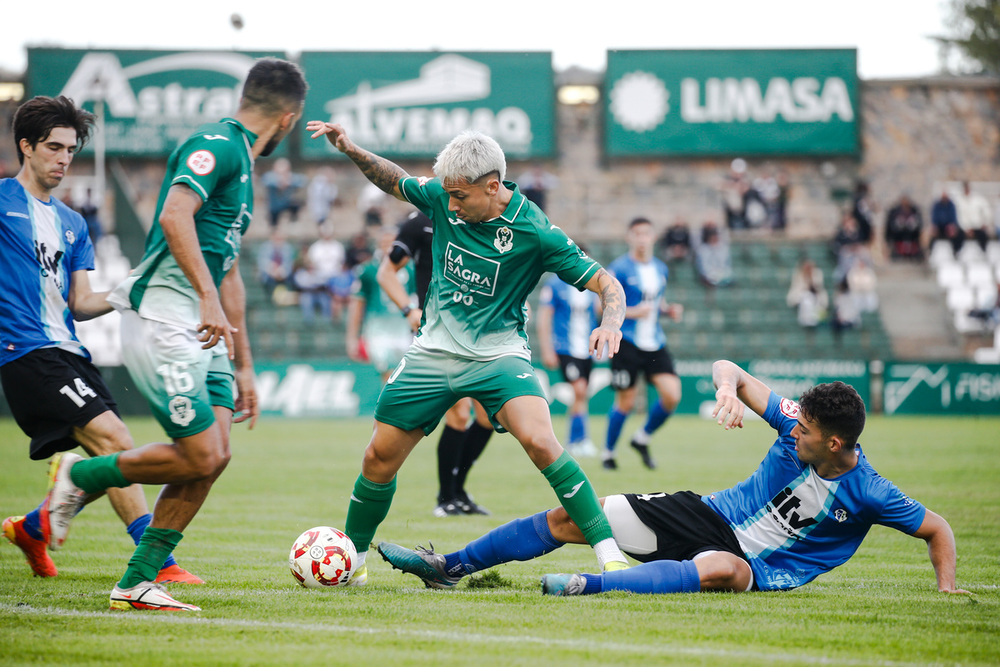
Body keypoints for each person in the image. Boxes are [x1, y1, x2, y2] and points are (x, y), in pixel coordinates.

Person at [307, 120, 631, 583]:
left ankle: (608, 551)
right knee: (378, 458)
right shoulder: (443, 196)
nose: (451, 204)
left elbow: (605, 282)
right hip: (433, 352)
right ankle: (352, 560)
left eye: (460, 196)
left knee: (542, 442)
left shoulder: (536, 232)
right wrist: (350, 148)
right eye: (448, 194)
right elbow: (394, 178)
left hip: (499, 355)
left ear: (493, 186)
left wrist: (611, 320)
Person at [44, 58, 308, 612]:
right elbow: (172, 215)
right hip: (167, 315)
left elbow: (229, 268)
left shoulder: (245, 171)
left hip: (207, 330)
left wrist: (244, 362)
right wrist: (207, 298)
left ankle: (137, 581)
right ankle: (83, 471)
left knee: (216, 456)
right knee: (197, 453)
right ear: (289, 118)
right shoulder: (217, 143)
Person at [378, 360, 968, 599]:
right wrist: (727, 393)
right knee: (571, 517)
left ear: (836, 443)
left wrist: (945, 591)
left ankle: (589, 587)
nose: (795, 432)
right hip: (704, 513)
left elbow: (937, 529)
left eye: (807, 431)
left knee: (726, 569)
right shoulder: (793, 421)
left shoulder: (871, 491)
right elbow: (728, 369)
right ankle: (446, 567)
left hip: (757, 566)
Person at [0, 95, 200, 585]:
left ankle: (31, 527)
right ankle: (160, 562)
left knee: (108, 455)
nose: (64, 159)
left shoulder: (72, 223)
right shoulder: (2, 203)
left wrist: (128, 291)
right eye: (53, 147)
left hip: (67, 351)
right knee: (116, 439)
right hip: (24, 352)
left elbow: (81, 303)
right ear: (26, 147)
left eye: (70, 149)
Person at [378, 209, 494, 516]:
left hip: (478, 329)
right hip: (437, 330)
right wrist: (408, 309)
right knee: (458, 413)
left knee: (487, 417)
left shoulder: (481, 216)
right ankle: (446, 498)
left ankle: (459, 491)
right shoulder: (421, 221)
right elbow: (385, 272)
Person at [603, 217, 683, 471]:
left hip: (655, 342)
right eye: (636, 233)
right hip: (627, 342)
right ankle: (608, 453)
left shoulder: (660, 268)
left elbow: (656, 301)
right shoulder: (618, 268)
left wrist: (668, 310)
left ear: (653, 237)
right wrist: (634, 311)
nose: (641, 238)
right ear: (629, 237)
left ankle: (641, 438)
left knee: (672, 395)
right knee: (625, 402)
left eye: (646, 233)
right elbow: (603, 306)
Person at [536, 271, 600, 458]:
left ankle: (578, 440)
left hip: (586, 349)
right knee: (579, 390)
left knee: (581, 395)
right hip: (565, 347)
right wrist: (547, 349)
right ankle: (577, 440)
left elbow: (598, 311)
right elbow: (545, 317)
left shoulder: (590, 285)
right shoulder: (554, 284)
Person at [346, 226, 415, 379]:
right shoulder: (367, 269)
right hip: (378, 331)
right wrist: (352, 338)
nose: (388, 247)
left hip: (405, 329)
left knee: (405, 377)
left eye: (391, 243)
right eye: (384, 243)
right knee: (388, 374)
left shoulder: (411, 269)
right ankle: (389, 404)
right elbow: (357, 304)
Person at [261, 157, 306, 228]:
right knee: (273, 218)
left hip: (287, 203)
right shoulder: (270, 176)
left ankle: (293, 221)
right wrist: (280, 182)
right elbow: (266, 181)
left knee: (297, 203)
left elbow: (302, 181)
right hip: (274, 205)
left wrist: (289, 181)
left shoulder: (292, 177)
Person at [255, 228, 296, 300]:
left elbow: (289, 263)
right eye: (277, 238)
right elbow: (262, 262)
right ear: (272, 237)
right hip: (269, 274)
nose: (279, 240)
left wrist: (281, 271)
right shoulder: (265, 247)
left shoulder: (288, 248)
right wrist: (272, 270)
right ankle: (269, 299)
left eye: (281, 238)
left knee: (292, 278)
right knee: (266, 278)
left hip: (283, 275)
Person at [787, 258, 828, 328]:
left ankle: (814, 320)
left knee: (815, 300)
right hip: (802, 295)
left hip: (815, 294)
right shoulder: (798, 274)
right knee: (807, 299)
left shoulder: (817, 273)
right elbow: (797, 287)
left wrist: (811, 278)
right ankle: (806, 320)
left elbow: (818, 286)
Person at [692, 221, 734, 287]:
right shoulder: (703, 250)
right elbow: (704, 268)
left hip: (723, 275)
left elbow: (727, 265)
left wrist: (721, 274)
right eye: (712, 236)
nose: (714, 238)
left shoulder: (724, 249)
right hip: (709, 276)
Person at [954, 181, 992, 252]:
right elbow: (958, 216)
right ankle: (957, 253)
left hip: (977, 226)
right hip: (964, 228)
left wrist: (985, 223)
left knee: (983, 236)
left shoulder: (978, 198)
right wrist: (966, 229)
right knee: (957, 236)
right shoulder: (958, 200)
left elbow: (986, 210)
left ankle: (984, 253)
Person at [884, 195, 924, 260]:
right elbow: (891, 225)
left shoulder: (914, 211)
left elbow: (918, 224)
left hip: (912, 235)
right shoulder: (895, 212)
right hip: (898, 235)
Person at [931, 190, 963, 255]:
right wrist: (935, 226)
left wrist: (951, 226)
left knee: (958, 233)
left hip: (948, 226)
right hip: (939, 226)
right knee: (930, 234)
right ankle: (930, 252)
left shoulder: (951, 205)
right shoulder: (937, 205)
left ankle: (955, 251)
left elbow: (953, 218)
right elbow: (934, 218)